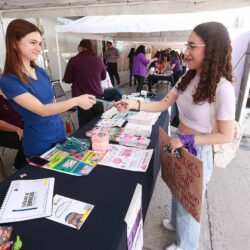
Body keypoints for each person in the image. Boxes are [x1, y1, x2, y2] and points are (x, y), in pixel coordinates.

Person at [115, 22, 235, 250]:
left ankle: (185, 245)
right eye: (186, 45)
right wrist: (133, 103)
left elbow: (225, 135)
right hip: (179, 141)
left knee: (189, 204)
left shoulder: (223, 88)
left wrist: (190, 140)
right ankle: (175, 223)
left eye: (192, 46)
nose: (186, 52)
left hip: (198, 150)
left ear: (211, 49)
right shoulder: (188, 77)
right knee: (176, 185)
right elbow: (162, 104)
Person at [0, 19, 96, 159]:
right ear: (14, 43)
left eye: (40, 43)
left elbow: (51, 103)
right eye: (32, 42)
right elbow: (42, 110)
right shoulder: (9, 80)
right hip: (38, 140)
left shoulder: (40, 71)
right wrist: (76, 101)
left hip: (58, 131)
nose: (38, 48)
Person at [63, 39, 106, 127]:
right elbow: (103, 77)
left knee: (85, 125)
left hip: (81, 97)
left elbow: (67, 79)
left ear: (81, 48)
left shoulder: (74, 60)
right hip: (97, 96)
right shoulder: (98, 60)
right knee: (98, 123)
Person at [0, 90, 27, 171]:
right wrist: (16, 129)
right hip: (4, 131)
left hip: (22, 124)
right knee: (26, 140)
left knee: (42, 131)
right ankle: (18, 168)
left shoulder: (10, 89)